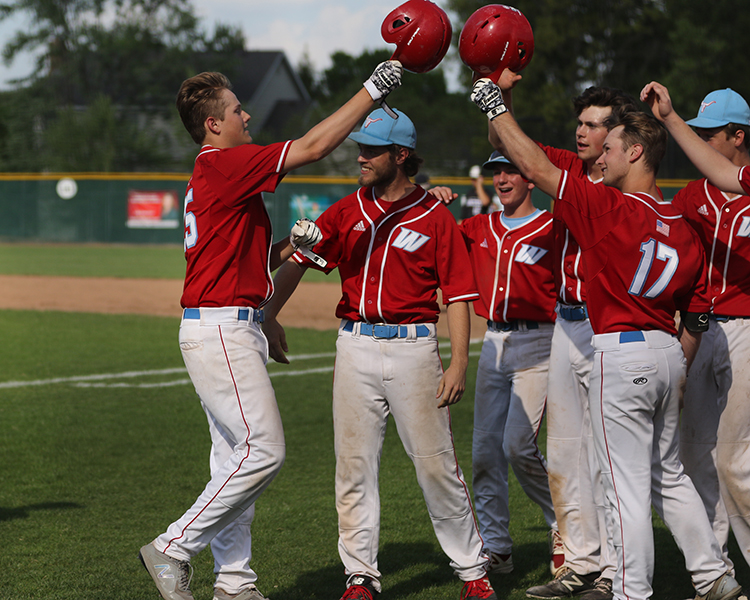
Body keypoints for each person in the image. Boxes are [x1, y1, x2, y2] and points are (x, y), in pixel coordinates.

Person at [138, 62, 403, 600]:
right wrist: (372, 90)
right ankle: (173, 547)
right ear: (214, 125)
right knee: (263, 451)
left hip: (228, 323)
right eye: (237, 109)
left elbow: (248, 260)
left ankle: (234, 583)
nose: (247, 113)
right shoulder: (224, 163)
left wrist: (289, 254)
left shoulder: (217, 172)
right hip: (220, 331)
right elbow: (311, 146)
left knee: (232, 460)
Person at [472, 77, 743, 600]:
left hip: (619, 351)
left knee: (623, 487)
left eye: (612, 146)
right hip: (667, 348)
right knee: (669, 474)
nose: (603, 156)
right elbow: (694, 300)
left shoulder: (607, 209)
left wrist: (491, 102)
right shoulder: (682, 218)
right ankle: (714, 576)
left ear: (635, 151)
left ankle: (628, 589)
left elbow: (535, 168)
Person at [261, 108, 497, 600]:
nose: (361, 157)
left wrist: (458, 362)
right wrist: (268, 313)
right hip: (354, 345)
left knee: (435, 465)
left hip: (414, 349)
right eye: (361, 148)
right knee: (353, 466)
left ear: (401, 155)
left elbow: (457, 295)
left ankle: (473, 571)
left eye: (371, 150)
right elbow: (299, 263)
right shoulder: (346, 210)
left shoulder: (435, 216)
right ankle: (360, 575)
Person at [492, 78, 638, 600]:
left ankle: (616, 571)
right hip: (566, 322)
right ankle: (578, 563)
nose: (580, 131)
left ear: (617, 133)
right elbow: (510, 145)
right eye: (579, 121)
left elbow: (530, 165)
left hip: (607, 329)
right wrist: (498, 92)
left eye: (593, 124)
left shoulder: (627, 182)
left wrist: (494, 96)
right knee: (564, 455)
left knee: (606, 456)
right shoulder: (573, 169)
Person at [642, 81, 750, 571]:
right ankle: (716, 571)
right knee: (696, 457)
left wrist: (670, 118)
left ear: (738, 136)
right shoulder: (690, 196)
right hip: (701, 329)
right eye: (698, 131)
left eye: (711, 133)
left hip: (747, 331)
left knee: (736, 463)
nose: (702, 141)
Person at [458, 151, 558, 577]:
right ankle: (497, 545)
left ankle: (566, 526)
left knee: (518, 445)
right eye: (497, 170)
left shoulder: (554, 227)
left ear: (530, 177)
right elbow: (436, 237)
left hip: (540, 342)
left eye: (511, 170)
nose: (502, 178)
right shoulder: (478, 227)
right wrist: (433, 199)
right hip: (494, 341)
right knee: (484, 452)